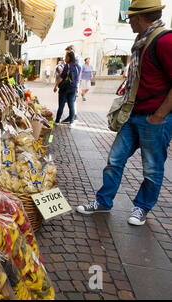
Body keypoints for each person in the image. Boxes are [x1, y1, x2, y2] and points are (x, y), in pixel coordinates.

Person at [76, 0, 172, 226]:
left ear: (140, 17)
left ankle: (141, 207)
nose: (127, 20)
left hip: (154, 117)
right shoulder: (142, 40)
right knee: (114, 160)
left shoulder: (165, 41)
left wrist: (159, 115)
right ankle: (103, 201)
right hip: (134, 114)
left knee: (151, 168)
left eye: (130, 17)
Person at [53, 51, 82, 125]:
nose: (65, 58)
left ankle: (57, 121)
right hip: (73, 88)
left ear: (69, 57)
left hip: (65, 88)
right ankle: (72, 121)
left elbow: (61, 77)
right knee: (71, 105)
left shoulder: (67, 66)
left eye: (66, 57)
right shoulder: (78, 66)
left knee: (61, 105)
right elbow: (78, 79)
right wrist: (77, 89)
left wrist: (56, 86)